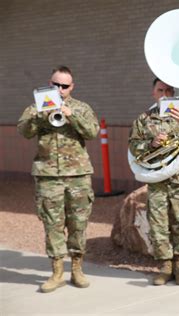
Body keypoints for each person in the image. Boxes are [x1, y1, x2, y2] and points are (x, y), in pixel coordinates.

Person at [17, 65, 99, 293]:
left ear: (71, 87)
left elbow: (92, 132)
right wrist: (37, 115)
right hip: (48, 176)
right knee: (52, 224)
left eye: (64, 86)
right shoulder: (35, 107)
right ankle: (56, 273)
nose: (60, 89)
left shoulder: (81, 108)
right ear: (49, 83)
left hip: (78, 176)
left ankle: (77, 270)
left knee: (78, 224)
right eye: (56, 84)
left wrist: (72, 115)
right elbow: (23, 131)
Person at [128, 78, 179, 286]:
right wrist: (151, 143)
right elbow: (133, 147)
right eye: (160, 90)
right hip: (157, 180)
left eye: (168, 90)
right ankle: (165, 266)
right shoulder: (144, 119)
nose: (164, 94)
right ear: (153, 93)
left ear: (174, 93)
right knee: (158, 223)